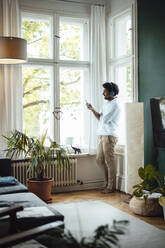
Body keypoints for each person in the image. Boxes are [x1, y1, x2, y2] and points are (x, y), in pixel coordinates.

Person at [86, 82, 120, 193]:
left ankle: (111, 187)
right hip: (102, 135)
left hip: (109, 136)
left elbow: (104, 120)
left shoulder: (115, 106)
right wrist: (92, 109)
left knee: (110, 161)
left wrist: (101, 116)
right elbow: (100, 117)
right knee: (99, 159)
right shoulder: (105, 104)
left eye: (104, 91)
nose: (102, 93)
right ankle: (106, 183)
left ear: (111, 92)